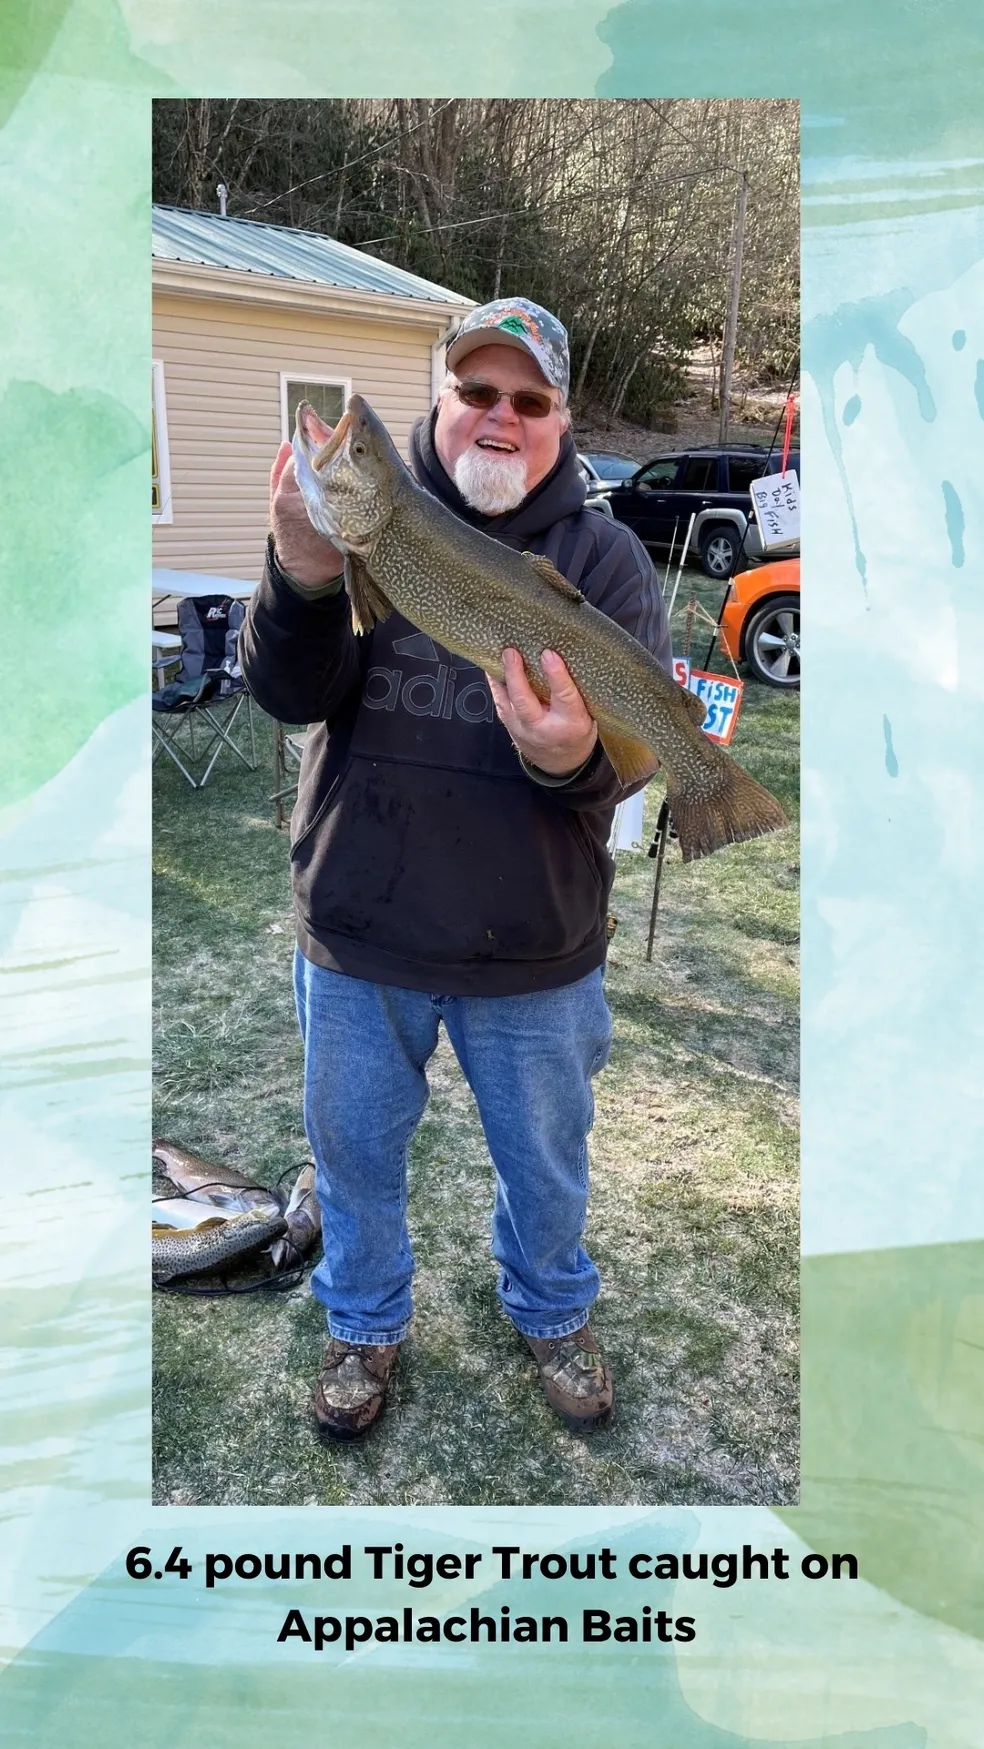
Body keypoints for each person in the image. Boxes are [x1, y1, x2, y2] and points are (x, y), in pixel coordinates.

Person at [239, 298, 672, 1444]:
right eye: (475, 391)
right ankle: (365, 1323)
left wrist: (577, 761)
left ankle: (553, 1311)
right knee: (354, 1161)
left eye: (527, 400)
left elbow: (619, 776)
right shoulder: (357, 525)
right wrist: (297, 567)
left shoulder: (610, 562)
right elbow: (287, 696)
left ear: (559, 419)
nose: (499, 416)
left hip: (535, 948)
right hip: (359, 930)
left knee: (545, 1168)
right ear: (441, 399)